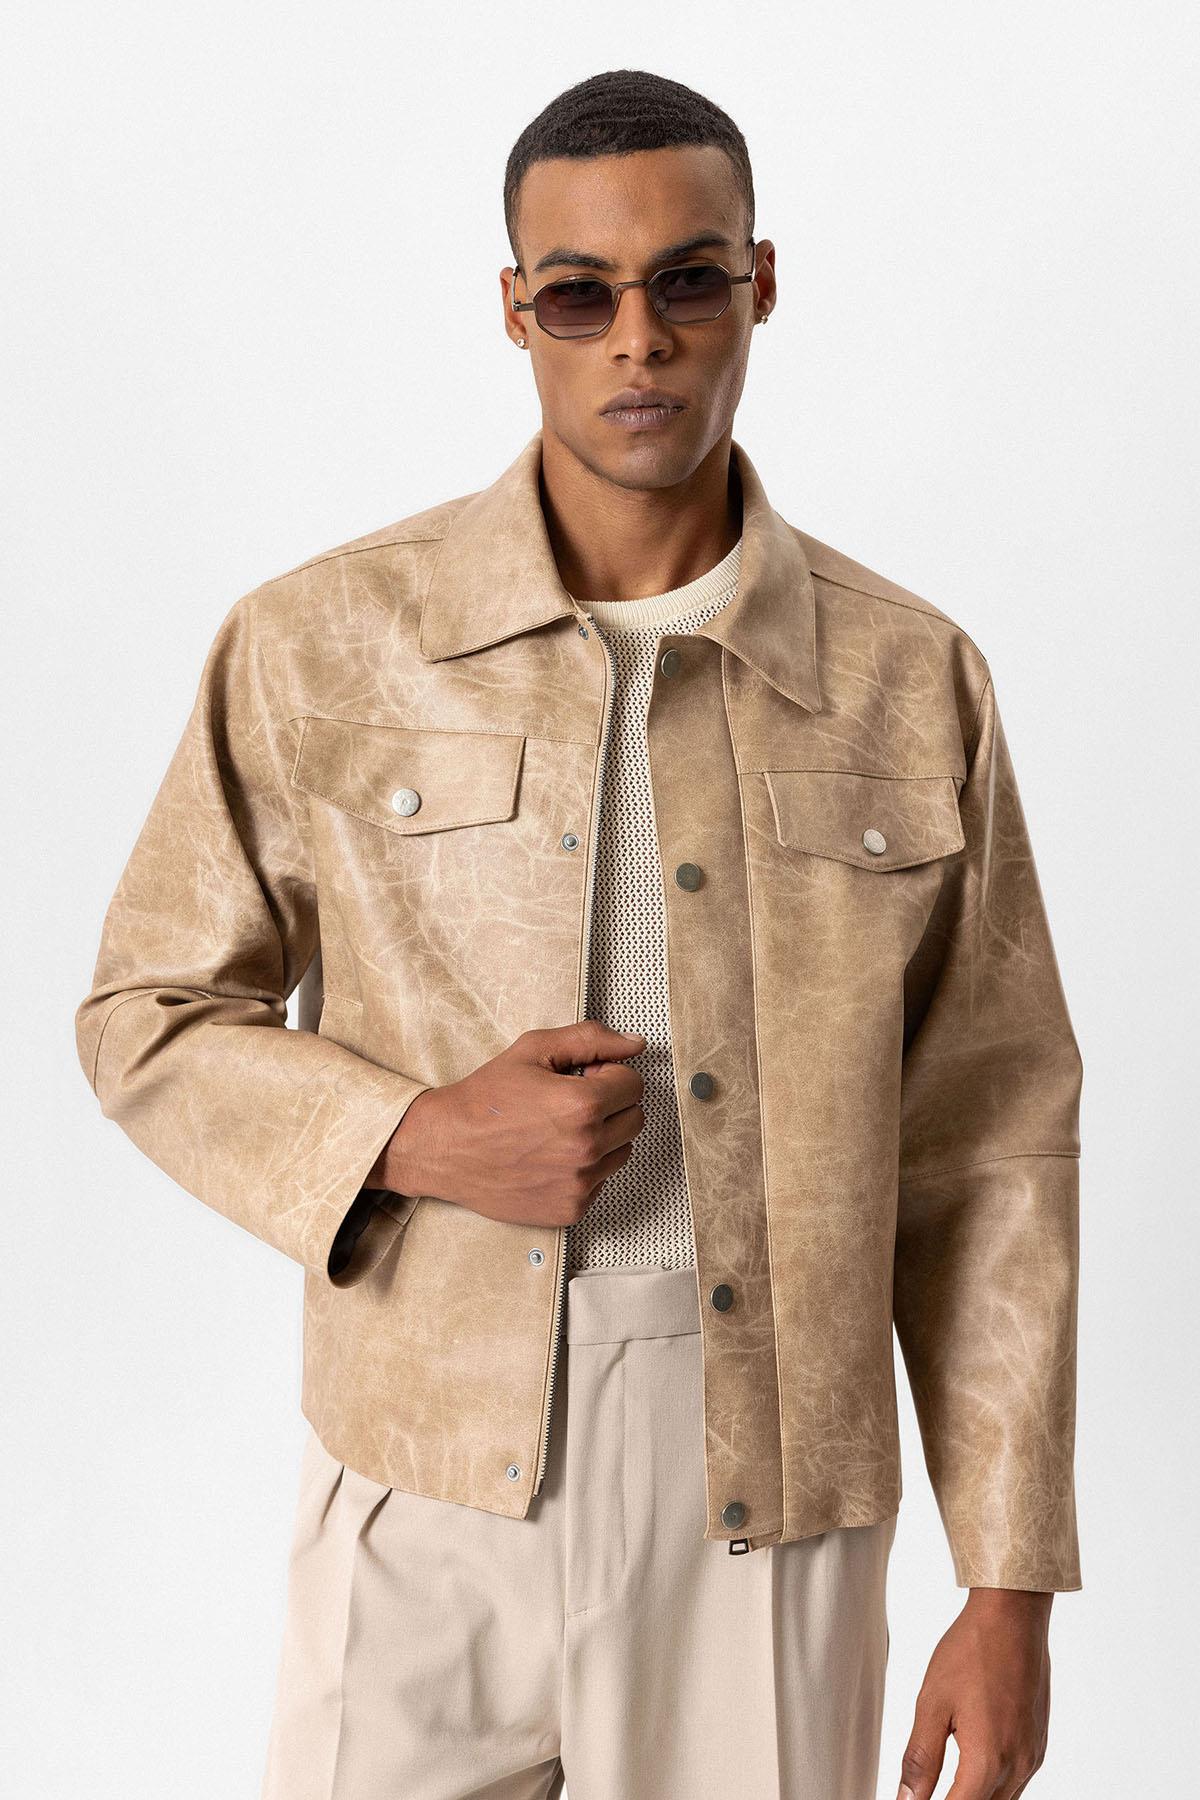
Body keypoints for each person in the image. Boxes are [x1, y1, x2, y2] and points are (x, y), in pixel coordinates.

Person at [75, 66, 1083, 1800]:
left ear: (761, 283)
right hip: (417, 1457)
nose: (639, 339)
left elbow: (992, 1142)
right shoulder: (322, 642)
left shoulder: (910, 681)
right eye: (580, 295)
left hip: (768, 1488)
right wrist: (416, 1135)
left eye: (688, 280)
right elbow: (146, 1011)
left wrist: (1010, 1591)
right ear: (514, 309)